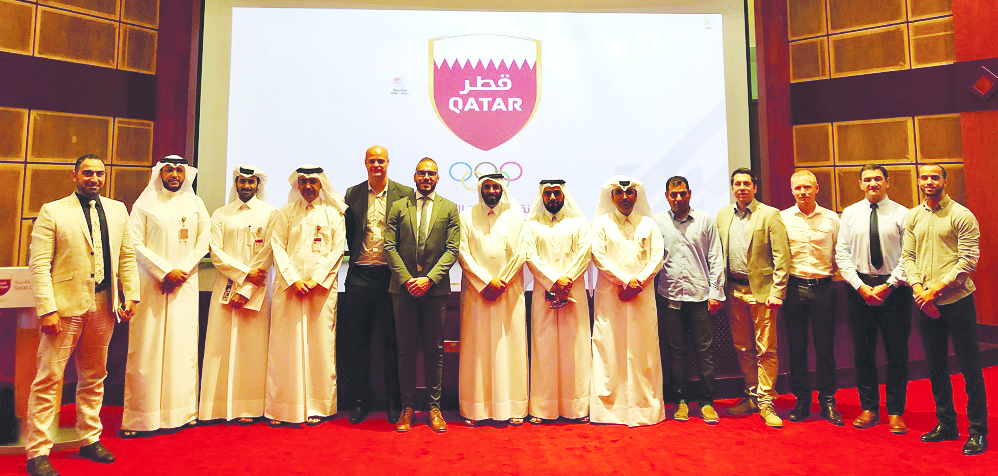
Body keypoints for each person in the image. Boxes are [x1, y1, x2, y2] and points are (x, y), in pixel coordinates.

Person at [24, 154, 139, 476]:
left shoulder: (117, 210)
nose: (94, 179)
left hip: (104, 306)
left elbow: (127, 257)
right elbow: (39, 265)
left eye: (99, 174)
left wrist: (131, 294)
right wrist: (47, 308)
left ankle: (90, 439)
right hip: (64, 308)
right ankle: (38, 452)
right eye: (87, 173)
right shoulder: (54, 211)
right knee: (49, 379)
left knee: (94, 377)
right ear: (74, 176)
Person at [902, 163, 988, 456]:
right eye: (924, 177)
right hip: (924, 302)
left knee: (969, 367)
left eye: (934, 177)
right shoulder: (913, 216)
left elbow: (967, 263)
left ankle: (977, 430)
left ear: (944, 181)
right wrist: (918, 291)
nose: (929, 181)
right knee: (935, 366)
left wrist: (934, 292)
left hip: (957, 301)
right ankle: (946, 424)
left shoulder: (962, 215)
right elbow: (907, 257)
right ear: (918, 181)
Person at [123, 155, 210, 436]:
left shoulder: (196, 204)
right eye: (169, 170)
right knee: (147, 346)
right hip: (151, 284)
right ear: (160, 173)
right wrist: (163, 272)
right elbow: (133, 242)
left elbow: (203, 242)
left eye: (179, 170)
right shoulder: (144, 203)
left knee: (181, 347)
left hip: (184, 284)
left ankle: (181, 413)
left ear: (186, 174)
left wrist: (180, 272)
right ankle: (141, 417)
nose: (174, 175)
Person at [199, 165, 281, 424]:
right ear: (235, 183)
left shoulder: (271, 214)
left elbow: (267, 254)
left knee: (253, 348)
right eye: (241, 181)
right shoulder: (221, 214)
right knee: (220, 347)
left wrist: (246, 289)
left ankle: (251, 407)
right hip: (225, 288)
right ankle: (218, 408)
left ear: (258, 184)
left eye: (251, 181)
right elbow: (216, 254)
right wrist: (245, 274)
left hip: (257, 291)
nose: (246, 186)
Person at [384, 158, 460, 433]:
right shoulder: (398, 206)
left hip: (435, 290)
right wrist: (408, 280)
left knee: (434, 351)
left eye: (431, 174)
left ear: (438, 178)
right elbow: (389, 246)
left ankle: (434, 408)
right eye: (422, 173)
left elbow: (452, 250)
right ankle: (407, 408)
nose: (426, 177)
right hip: (403, 291)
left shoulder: (449, 208)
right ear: (414, 176)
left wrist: (428, 280)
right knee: (405, 351)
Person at [266, 166, 347, 426]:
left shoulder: (334, 214)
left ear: (321, 184)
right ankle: (281, 407)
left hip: (320, 292)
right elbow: (277, 246)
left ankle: (317, 406)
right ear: (297, 185)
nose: (308, 186)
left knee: (319, 348)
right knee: (285, 348)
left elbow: (337, 250)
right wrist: (293, 280)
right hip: (289, 290)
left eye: (313, 181)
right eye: (303, 182)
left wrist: (315, 280)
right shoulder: (285, 213)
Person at [835, 164, 911, 434]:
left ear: (888, 182)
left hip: (896, 290)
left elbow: (908, 256)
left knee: (897, 352)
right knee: (863, 352)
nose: (873, 184)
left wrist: (889, 286)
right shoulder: (850, 214)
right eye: (867, 180)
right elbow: (842, 254)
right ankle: (868, 408)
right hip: (859, 290)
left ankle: (895, 411)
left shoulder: (903, 214)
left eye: (878, 179)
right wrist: (860, 287)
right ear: (860, 184)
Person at [342, 146, 412, 425]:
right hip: (359, 274)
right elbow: (348, 234)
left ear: (388, 163)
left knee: (392, 343)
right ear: (365, 163)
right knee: (357, 342)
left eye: (381, 161)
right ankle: (359, 401)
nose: (377, 165)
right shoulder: (352, 194)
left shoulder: (404, 194)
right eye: (372, 161)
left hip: (390, 277)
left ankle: (395, 401)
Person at [716, 167, 790, 428]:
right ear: (733, 188)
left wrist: (777, 292)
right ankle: (752, 395)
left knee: (765, 349)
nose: (742, 188)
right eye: (737, 184)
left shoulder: (769, 214)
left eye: (747, 183)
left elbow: (782, 257)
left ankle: (767, 401)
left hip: (762, 293)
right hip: (734, 291)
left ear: (754, 187)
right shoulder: (724, 215)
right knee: (743, 348)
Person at [590, 176, 665, 427]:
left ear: (637, 196)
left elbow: (657, 257)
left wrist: (637, 283)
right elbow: (598, 256)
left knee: (643, 351)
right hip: (611, 298)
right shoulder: (601, 224)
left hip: (642, 297)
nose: (625, 197)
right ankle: (610, 411)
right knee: (609, 350)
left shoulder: (649, 225)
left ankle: (645, 408)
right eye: (620, 193)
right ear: (611, 197)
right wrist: (624, 281)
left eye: (630, 193)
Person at [457, 173, 529, 426]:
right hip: (477, 295)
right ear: (480, 190)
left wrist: (502, 282)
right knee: (477, 351)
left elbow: (522, 251)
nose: (491, 191)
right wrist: (485, 283)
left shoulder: (516, 216)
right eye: (486, 187)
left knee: (510, 349)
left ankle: (513, 407)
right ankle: (475, 408)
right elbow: (462, 252)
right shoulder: (466, 217)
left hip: (508, 294)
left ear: (502, 190)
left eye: (495, 187)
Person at [654, 176, 724, 425]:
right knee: (676, 352)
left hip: (701, 297)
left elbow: (716, 258)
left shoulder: (705, 220)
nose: (678, 198)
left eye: (683, 193)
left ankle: (706, 402)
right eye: (673, 194)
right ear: (666, 196)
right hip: (669, 295)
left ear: (690, 193)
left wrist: (716, 293)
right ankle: (680, 402)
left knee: (705, 352)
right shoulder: (658, 222)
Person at [524, 180, 592, 424]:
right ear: (541, 196)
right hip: (544, 294)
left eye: (556, 193)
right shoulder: (531, 225)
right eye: (547, 193)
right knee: (544, 350)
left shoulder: (579, 224)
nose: (552, 197)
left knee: (575, 349)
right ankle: (543, 408)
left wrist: (567, 281)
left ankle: (577, 408)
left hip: (574, 294)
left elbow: (585, 253)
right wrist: (554, 281)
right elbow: (529, 256)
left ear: (564, 194)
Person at [780, 170, 843, 426]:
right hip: (793, 288)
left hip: (823, 288)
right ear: (792, 190)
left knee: (826, 347)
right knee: (797, 347)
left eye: (807, 187)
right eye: (798, 188)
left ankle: (828, 400)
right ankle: (802, 399)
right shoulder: (782, 218)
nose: (803, 192)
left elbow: (841, 252)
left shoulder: (831, 218)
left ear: (817, 188)